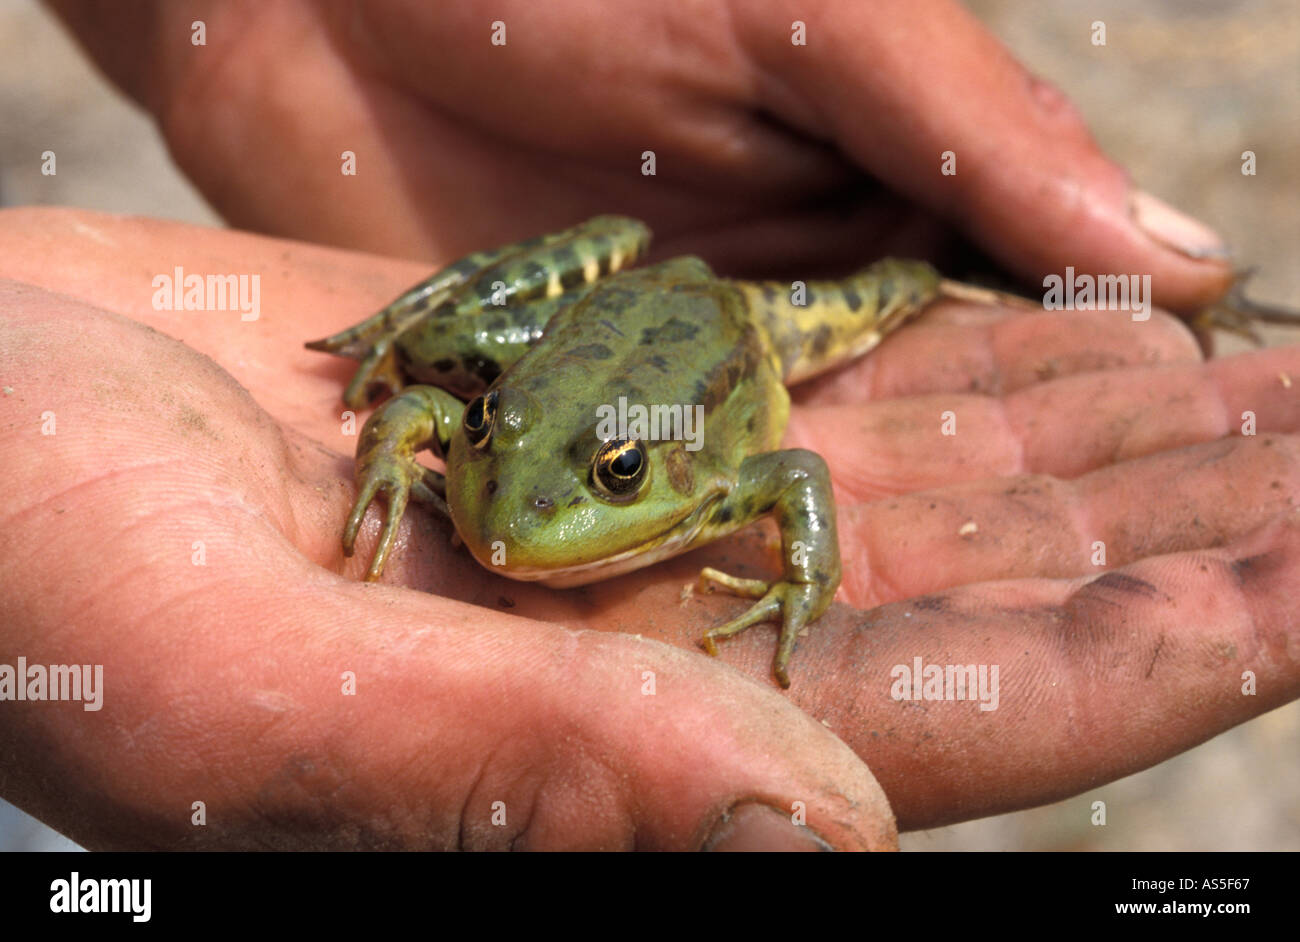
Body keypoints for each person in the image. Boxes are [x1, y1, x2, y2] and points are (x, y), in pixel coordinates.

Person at [0, 0, 1294, 850]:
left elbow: (789, 469)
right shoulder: (486, 451)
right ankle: (457, 340)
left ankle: (975, 280)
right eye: (486, 455)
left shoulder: (716, 478)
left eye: (610, 479)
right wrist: (402, 446)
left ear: (660, 468)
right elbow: (429, 409)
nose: (511, 522)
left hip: (729, 325)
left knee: (885, 296)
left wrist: (803, 587)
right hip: (589, 326)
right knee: (492, 343)